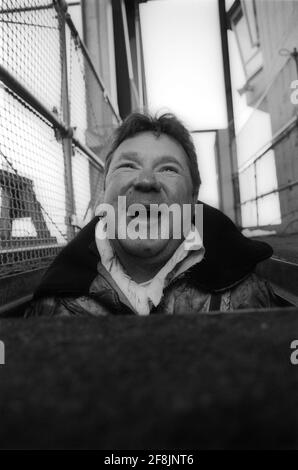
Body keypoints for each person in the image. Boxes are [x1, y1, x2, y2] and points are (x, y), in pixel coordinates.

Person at [25, 112, 281, 317]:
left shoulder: (250, 297)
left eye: (168, 169)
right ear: (104, 190)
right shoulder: (50, 306)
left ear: (193, 198)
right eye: (128, 165)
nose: (146, 180)